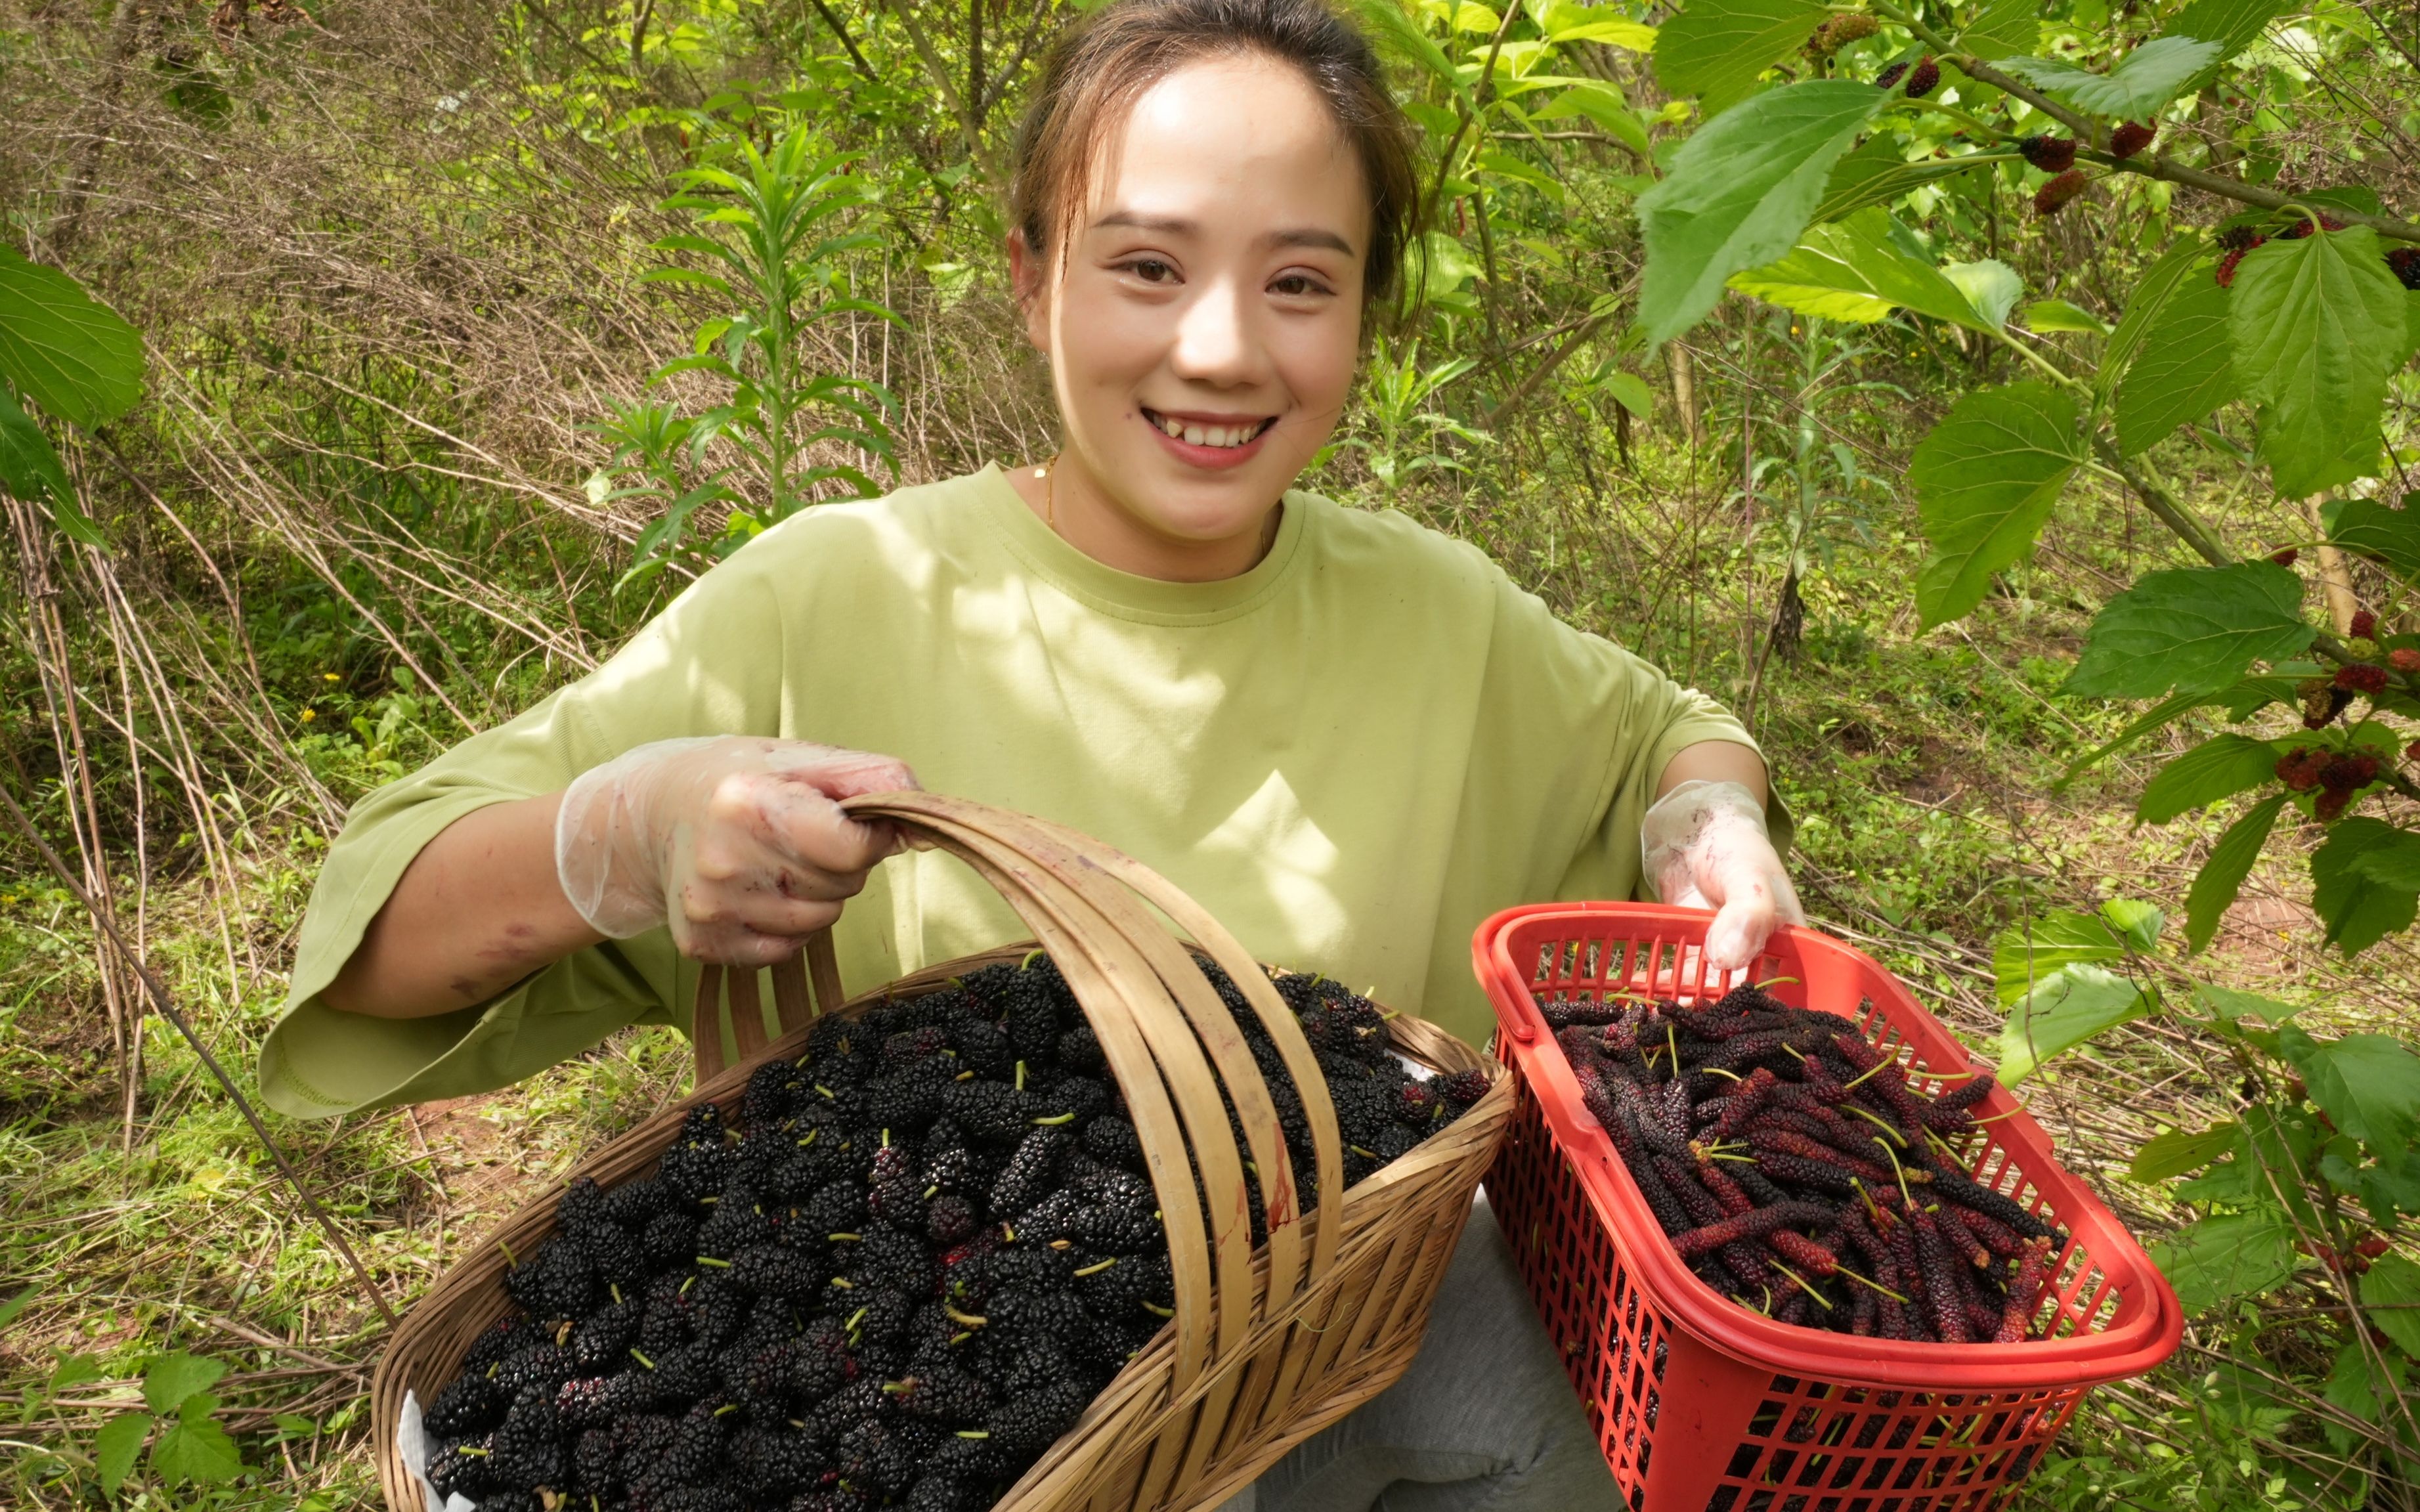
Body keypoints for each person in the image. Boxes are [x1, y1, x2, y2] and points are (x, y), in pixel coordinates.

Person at [261, 1, 1803, 1506]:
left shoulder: (1441, 615)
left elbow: (1668, 736)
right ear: (1028, 278)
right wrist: (622, 836)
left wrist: (1710, 819)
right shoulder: (831, 596)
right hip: (921, 1437)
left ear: (1364, 315)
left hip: (1343, 1371)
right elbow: (383, 945)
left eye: (1300, 283)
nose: (1220, 350)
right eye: (1145, 265)